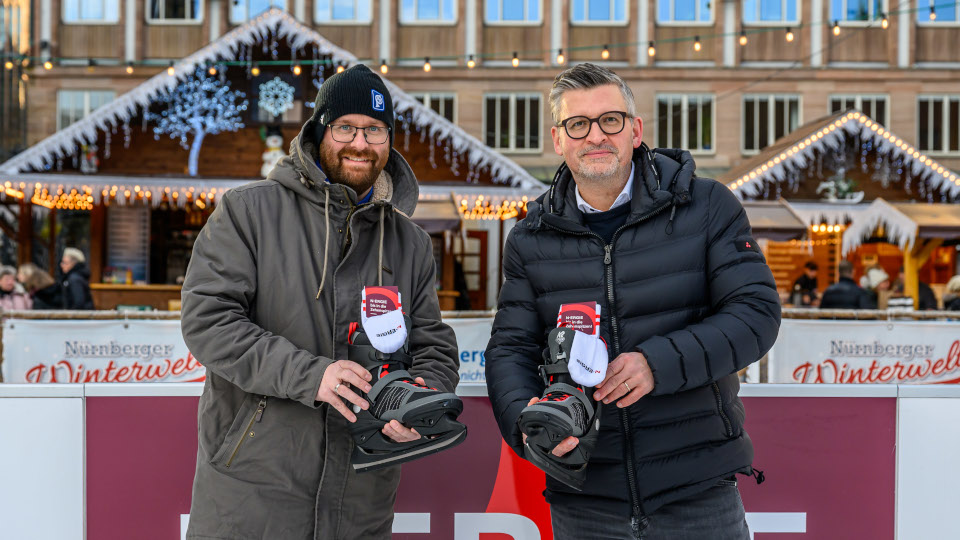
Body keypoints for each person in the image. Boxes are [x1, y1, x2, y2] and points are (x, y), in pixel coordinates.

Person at [485, 63, 781, 539]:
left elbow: (755, 315)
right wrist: (528, 423)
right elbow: (510, 349)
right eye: (578, 124)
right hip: (585, 496)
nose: (595, 136)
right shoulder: (530, 238)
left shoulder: (706, 207)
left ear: (636, 130)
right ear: (558, 140)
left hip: (696, 490)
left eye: (610, 120)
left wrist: (655, 363)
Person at [180, 64, 459, 539]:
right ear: (318, 132)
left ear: (389, 140)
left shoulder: (408, 242)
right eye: (345, 127)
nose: (360, 142)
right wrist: (313, 375)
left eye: (374, 130)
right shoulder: (249, 212)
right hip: (254, 490)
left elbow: (433, 344)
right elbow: (209, 320)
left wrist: (418, 402)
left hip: (360, 497)